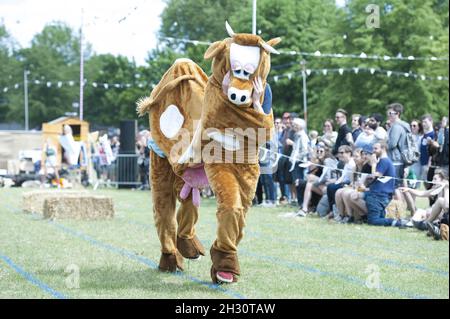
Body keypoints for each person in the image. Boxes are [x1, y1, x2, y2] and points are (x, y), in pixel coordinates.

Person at [364, 142, 408, 227]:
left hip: (378, 196)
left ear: (383, 149)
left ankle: (395, 222)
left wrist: (373, 164)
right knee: (354, 196)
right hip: (376, 194)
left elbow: (375, 176)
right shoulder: (382, 160)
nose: (373, 151)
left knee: (373, 220)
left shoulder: (384, 161)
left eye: (376, 148)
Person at [296, 144, 337, 216]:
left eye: (321, 151)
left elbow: (327, 177)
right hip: (323, 184)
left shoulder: (328, 160)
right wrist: (314, 157)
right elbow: (311, 171)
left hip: (330, 185)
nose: (319, 153)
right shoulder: (320, 161)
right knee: (308, 183)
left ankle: (306, 207)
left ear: (326, 152)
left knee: (310, 179)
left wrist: (315, 182)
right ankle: (304, 208)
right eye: (317, 151)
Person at [326, 145, 355, 220]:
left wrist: (339, 183)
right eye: (339, 153)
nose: (340, 155)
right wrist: (336, 181)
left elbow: (351, 180)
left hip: (349, 184)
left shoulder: (352, 164)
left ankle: (336, 212)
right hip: (344, 182)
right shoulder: (346, 163)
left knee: (332, 187)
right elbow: (343, 176)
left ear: (349, 153)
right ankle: (333, 210)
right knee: (330, 186)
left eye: (342, 153)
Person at [386, 103, 410, 186]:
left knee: (395, 188)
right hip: (399, 160)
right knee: (398, 187)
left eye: (390, 113)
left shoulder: (396, 127)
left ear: (397, 114)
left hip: (395, 160)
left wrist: (381, 145)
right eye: (388, 113)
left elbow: (392, 144)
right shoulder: (401, 125)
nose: (388, 115)